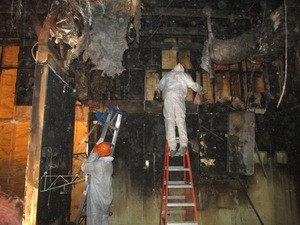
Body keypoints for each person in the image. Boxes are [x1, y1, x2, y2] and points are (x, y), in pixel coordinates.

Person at [157, 63, 203, 156]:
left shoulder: (168, 74)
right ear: (184, 69)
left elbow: (159, 86)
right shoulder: (184, 75)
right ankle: (183, 146)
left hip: (168, 99)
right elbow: (193, 85)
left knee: (169, 121)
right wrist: (201, 89)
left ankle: (172, 148)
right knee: (180, 120)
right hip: (178, 99)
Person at [82, 142, 114, 225]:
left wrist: (95, 154)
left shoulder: (98, 165)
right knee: (104, 219)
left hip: (97, 197)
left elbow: (84, 167)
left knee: (94, 220)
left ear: (100, 153)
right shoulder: (109, 164)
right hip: (106, 197)